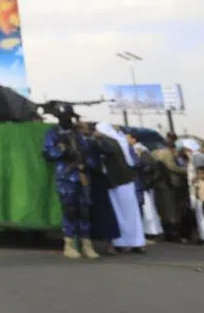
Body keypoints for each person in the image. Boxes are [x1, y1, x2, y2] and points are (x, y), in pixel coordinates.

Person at [42, 105, 100, 259]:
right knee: (70, 209)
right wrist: (64, 151)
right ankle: (70, 243)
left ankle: (86, 244)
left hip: (81, 176)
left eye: (70, 117)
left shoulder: (78, 135)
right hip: (66, 176)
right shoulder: (53, 134)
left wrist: (86, 163)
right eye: (65, 117)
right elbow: (48, 152)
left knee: (84, 210)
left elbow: (89, 155)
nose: (68, 120)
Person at [93, 123, 146, 252]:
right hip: (128, 180)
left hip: (116, 182)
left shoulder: (106, 142)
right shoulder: (121, 141)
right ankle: (136, 242)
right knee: (132, 213)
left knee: (118, 213)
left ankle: (121, 242)